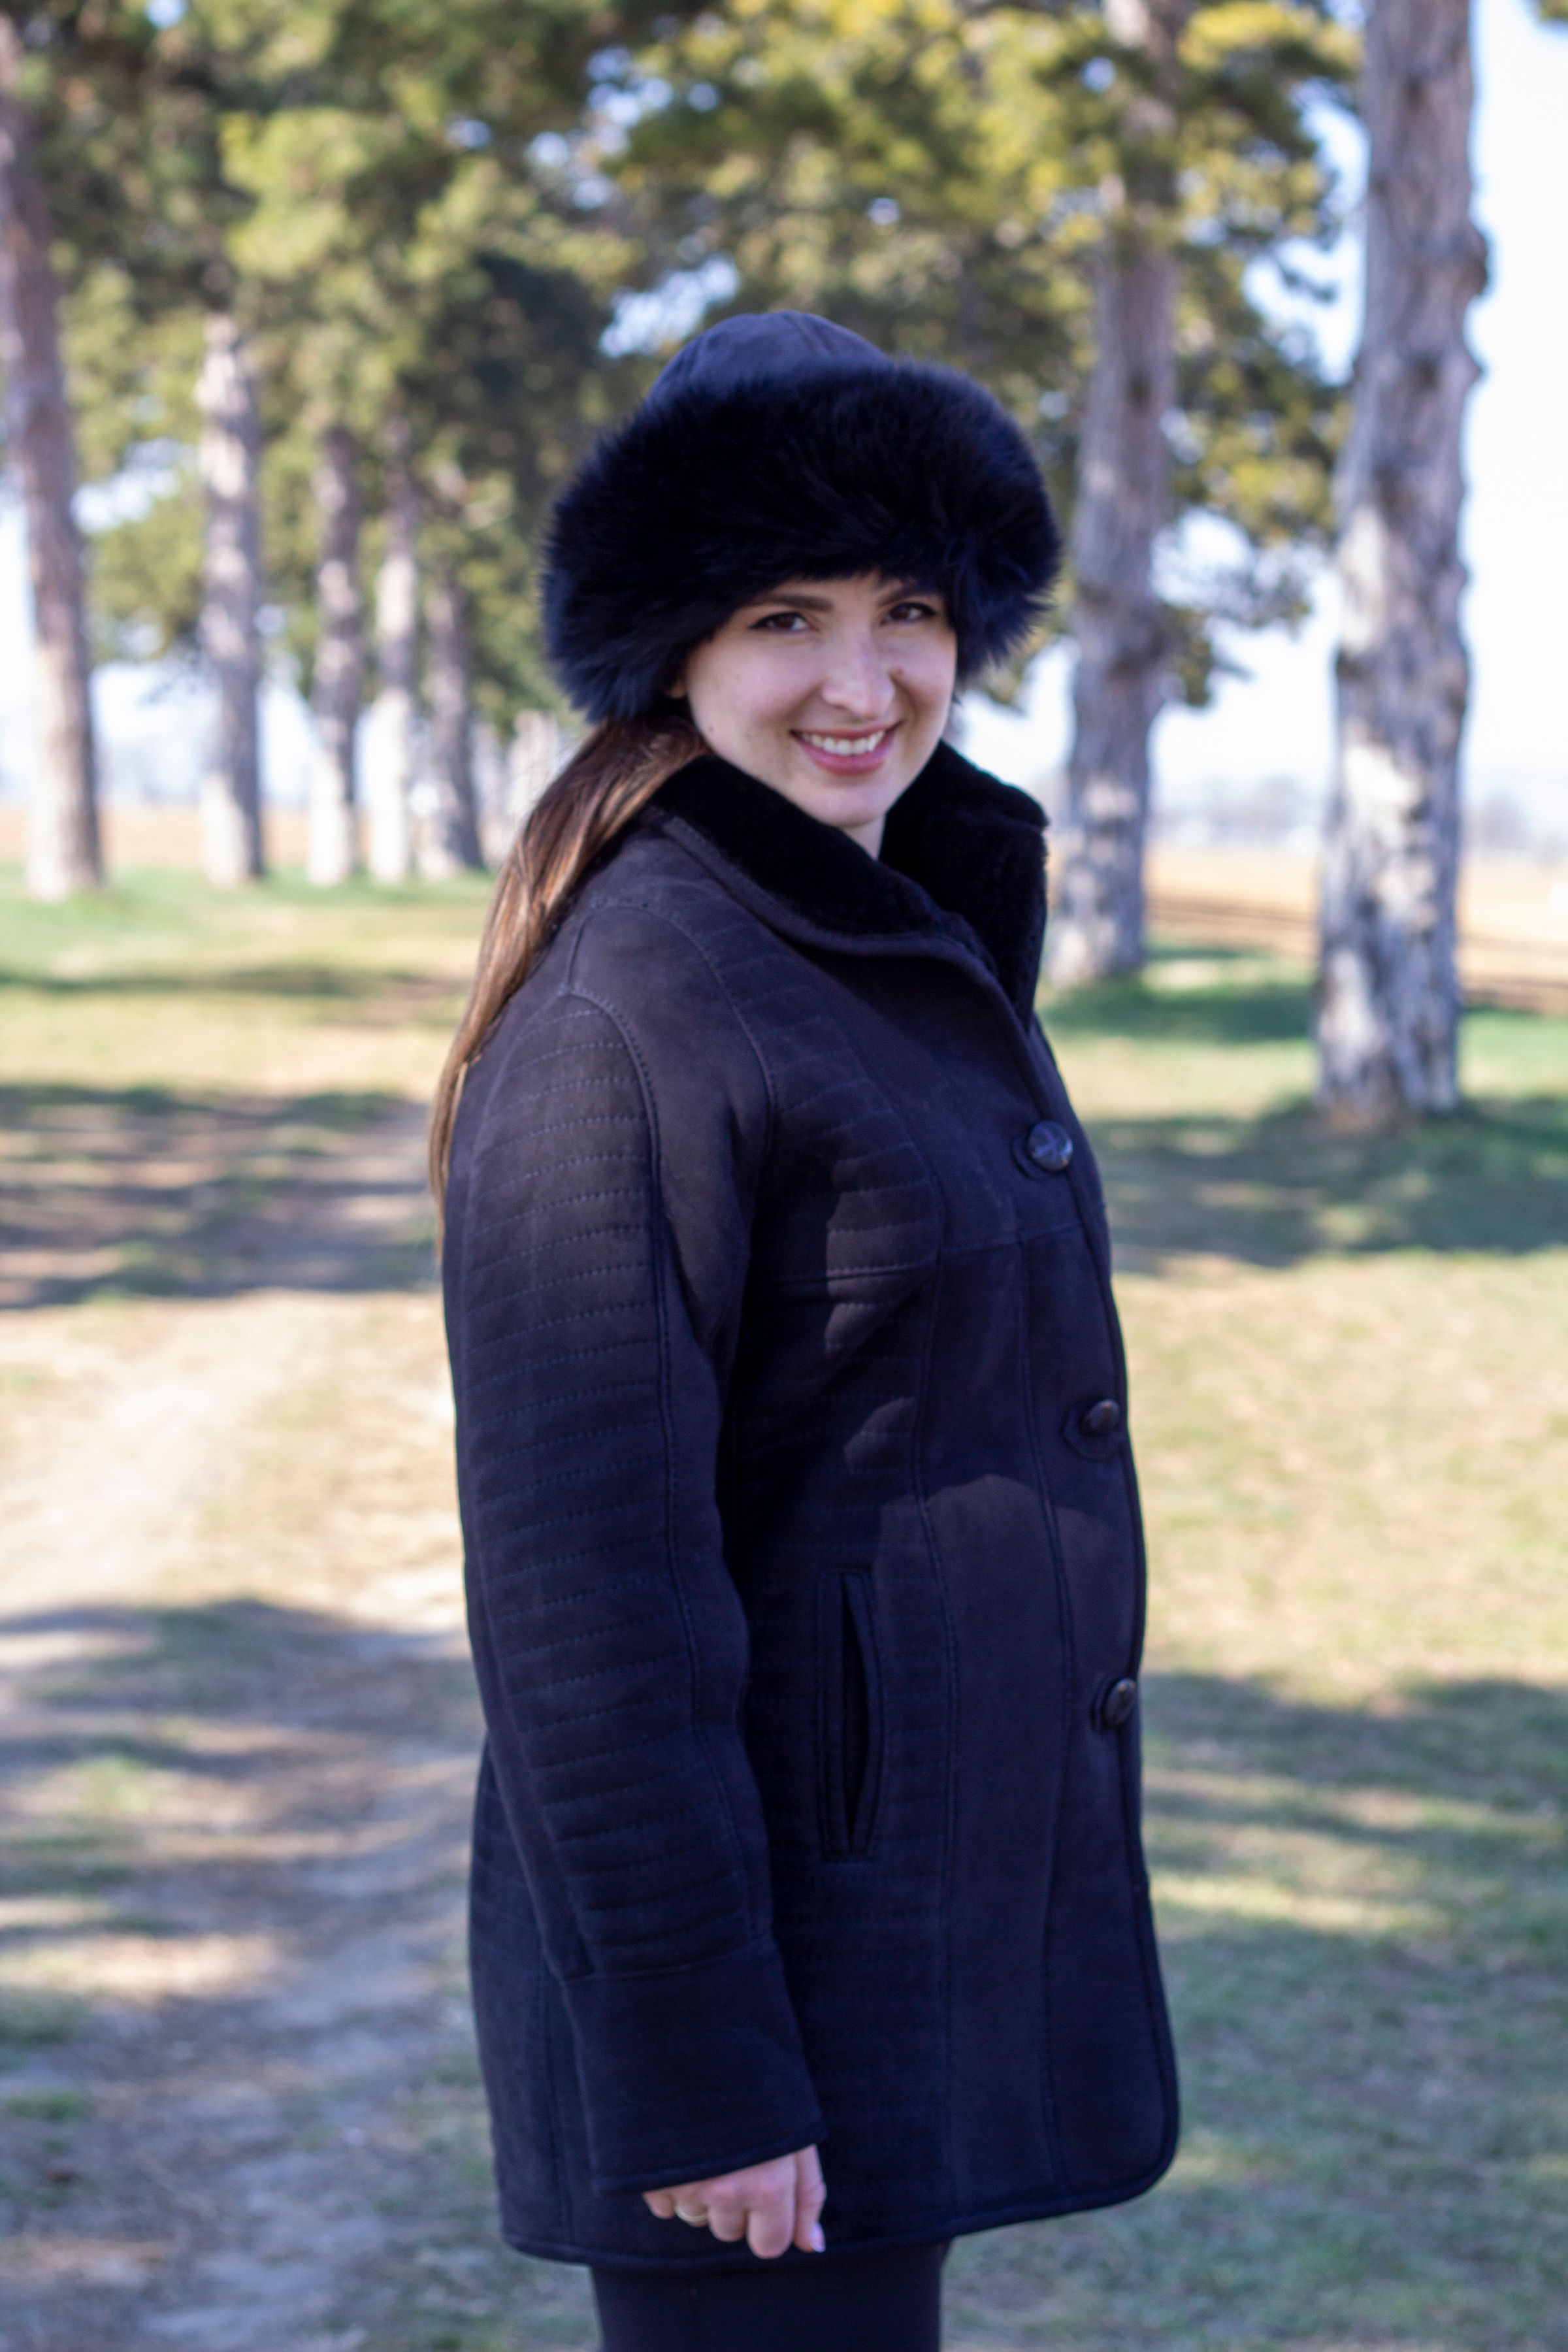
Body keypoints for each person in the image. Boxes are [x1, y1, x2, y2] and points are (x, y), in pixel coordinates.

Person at [431, 311, 1178, 2352]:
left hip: (884, 1946)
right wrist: (703, 2069)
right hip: (764, 2019)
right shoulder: (639, 1008)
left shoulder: (869, 935)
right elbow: (587, 1600)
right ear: (673, 645)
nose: (864, 684)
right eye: (786, 619)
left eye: (909, 611)